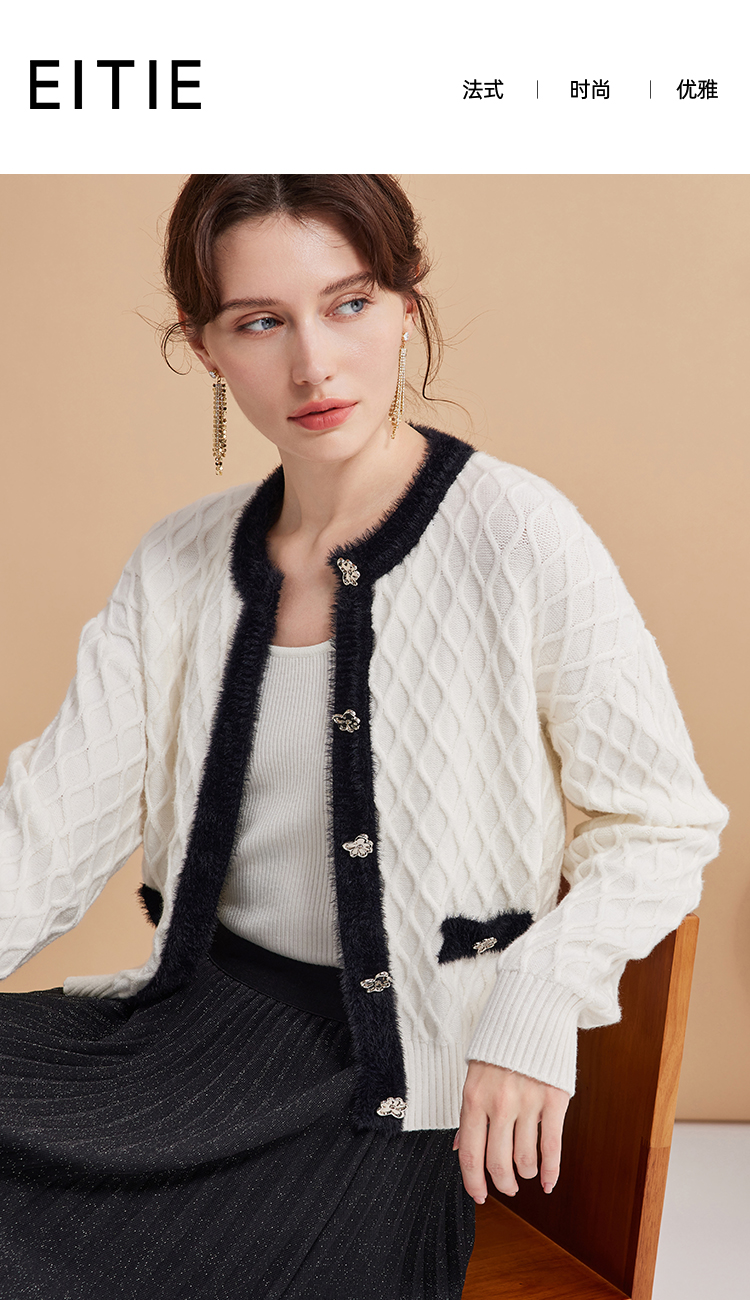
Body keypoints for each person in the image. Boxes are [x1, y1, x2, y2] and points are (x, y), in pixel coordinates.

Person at [0, 174, 728, 1299]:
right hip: (187, 1027)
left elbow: (663, 822)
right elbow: (44, 832)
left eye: (349, 304)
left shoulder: (518, 535)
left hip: (388, 1082)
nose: (314, 365)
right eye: (261, 322)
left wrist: (537, 998)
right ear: (203, 346)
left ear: (405, 303)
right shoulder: (178, 563)